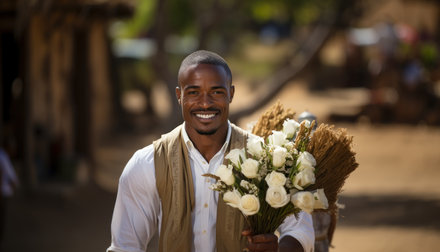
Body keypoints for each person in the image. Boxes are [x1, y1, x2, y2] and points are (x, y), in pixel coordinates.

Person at [107, 50, 314, 252]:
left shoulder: (267, 157)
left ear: (231, 94)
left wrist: (279, 248)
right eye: (194, 92)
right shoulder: (147, 164)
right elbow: (125, 246)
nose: (205, 103)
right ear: (179, 95)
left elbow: (300, 230)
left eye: (216, 92)